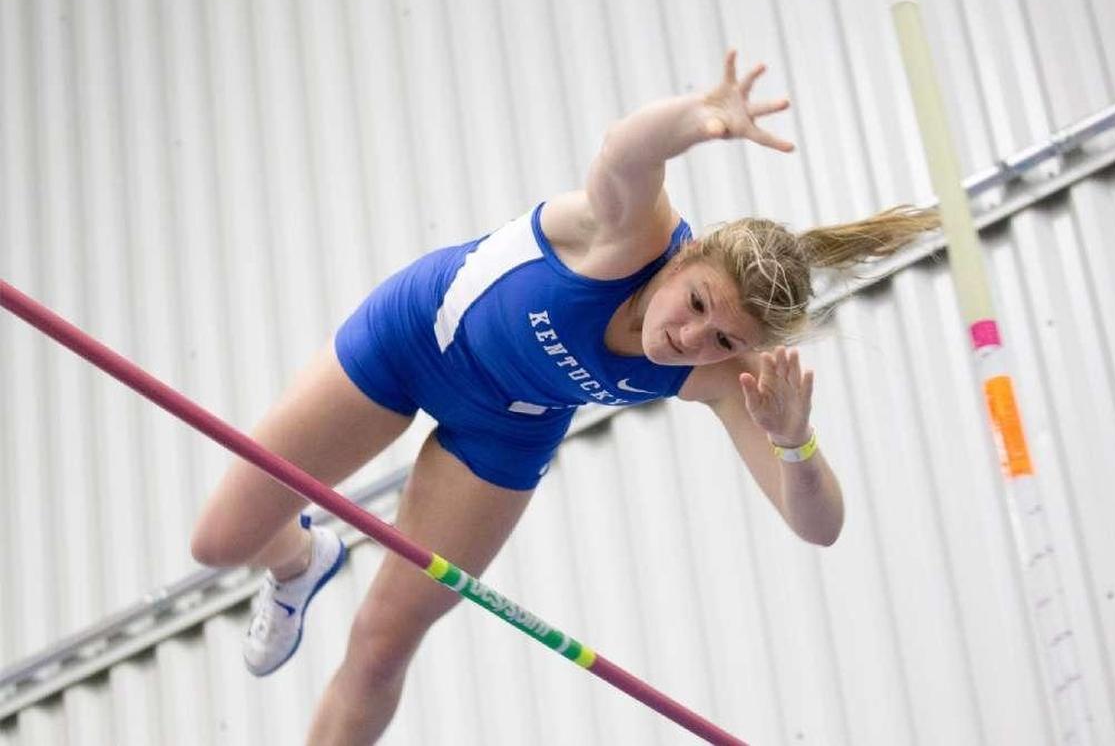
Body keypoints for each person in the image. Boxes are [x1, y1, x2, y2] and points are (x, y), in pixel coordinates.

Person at [188, 50, 938, 744]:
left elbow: (819, 524)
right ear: (688, 257)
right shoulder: (627, 231)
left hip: (507, 429)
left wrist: (792, 441)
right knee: (219, 542)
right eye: (699, 304)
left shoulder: (725, 376)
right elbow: (626, 148)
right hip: (415, 339)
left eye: (724, 340)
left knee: (384, 643)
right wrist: (695, 117)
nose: (692, 339)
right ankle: (298, 559)